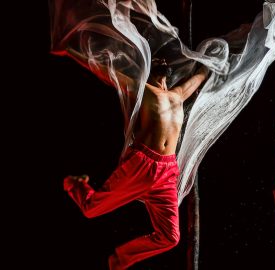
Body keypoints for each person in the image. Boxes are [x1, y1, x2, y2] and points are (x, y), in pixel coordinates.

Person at [62, 47, 210, 270]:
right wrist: (72, 52)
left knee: (171, 237)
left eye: (163, 59)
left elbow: (200, 76)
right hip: (142, 165)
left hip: (168, 172)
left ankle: (121, 260)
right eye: (156, 59)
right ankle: (74, 184)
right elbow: (106, 71)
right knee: (91, 209)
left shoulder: (178, 95)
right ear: (148, 70)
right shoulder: (143, 90)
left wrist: (214, 60)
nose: (161, 60)